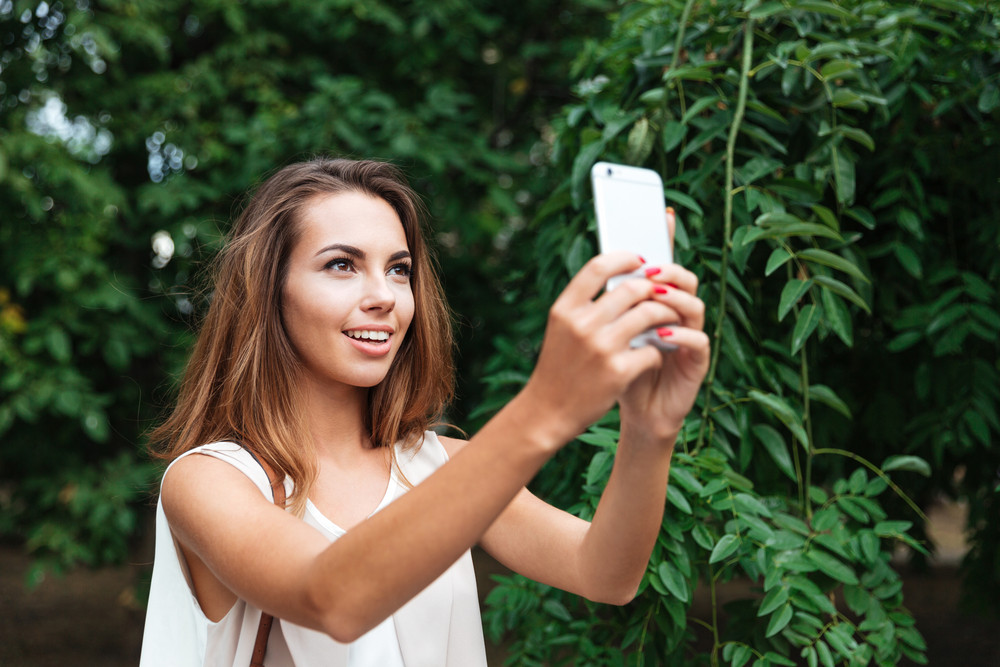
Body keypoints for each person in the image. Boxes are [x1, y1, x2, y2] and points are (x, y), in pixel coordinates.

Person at [139, 157, 710, 666]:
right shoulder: (209, 482)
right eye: (342, 264)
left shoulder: (439, 465)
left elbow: (607, 573)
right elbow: (332, 597)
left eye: (398, 269)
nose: (384, 295)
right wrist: (546, 408)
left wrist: (649, 430)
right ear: (269, 291)